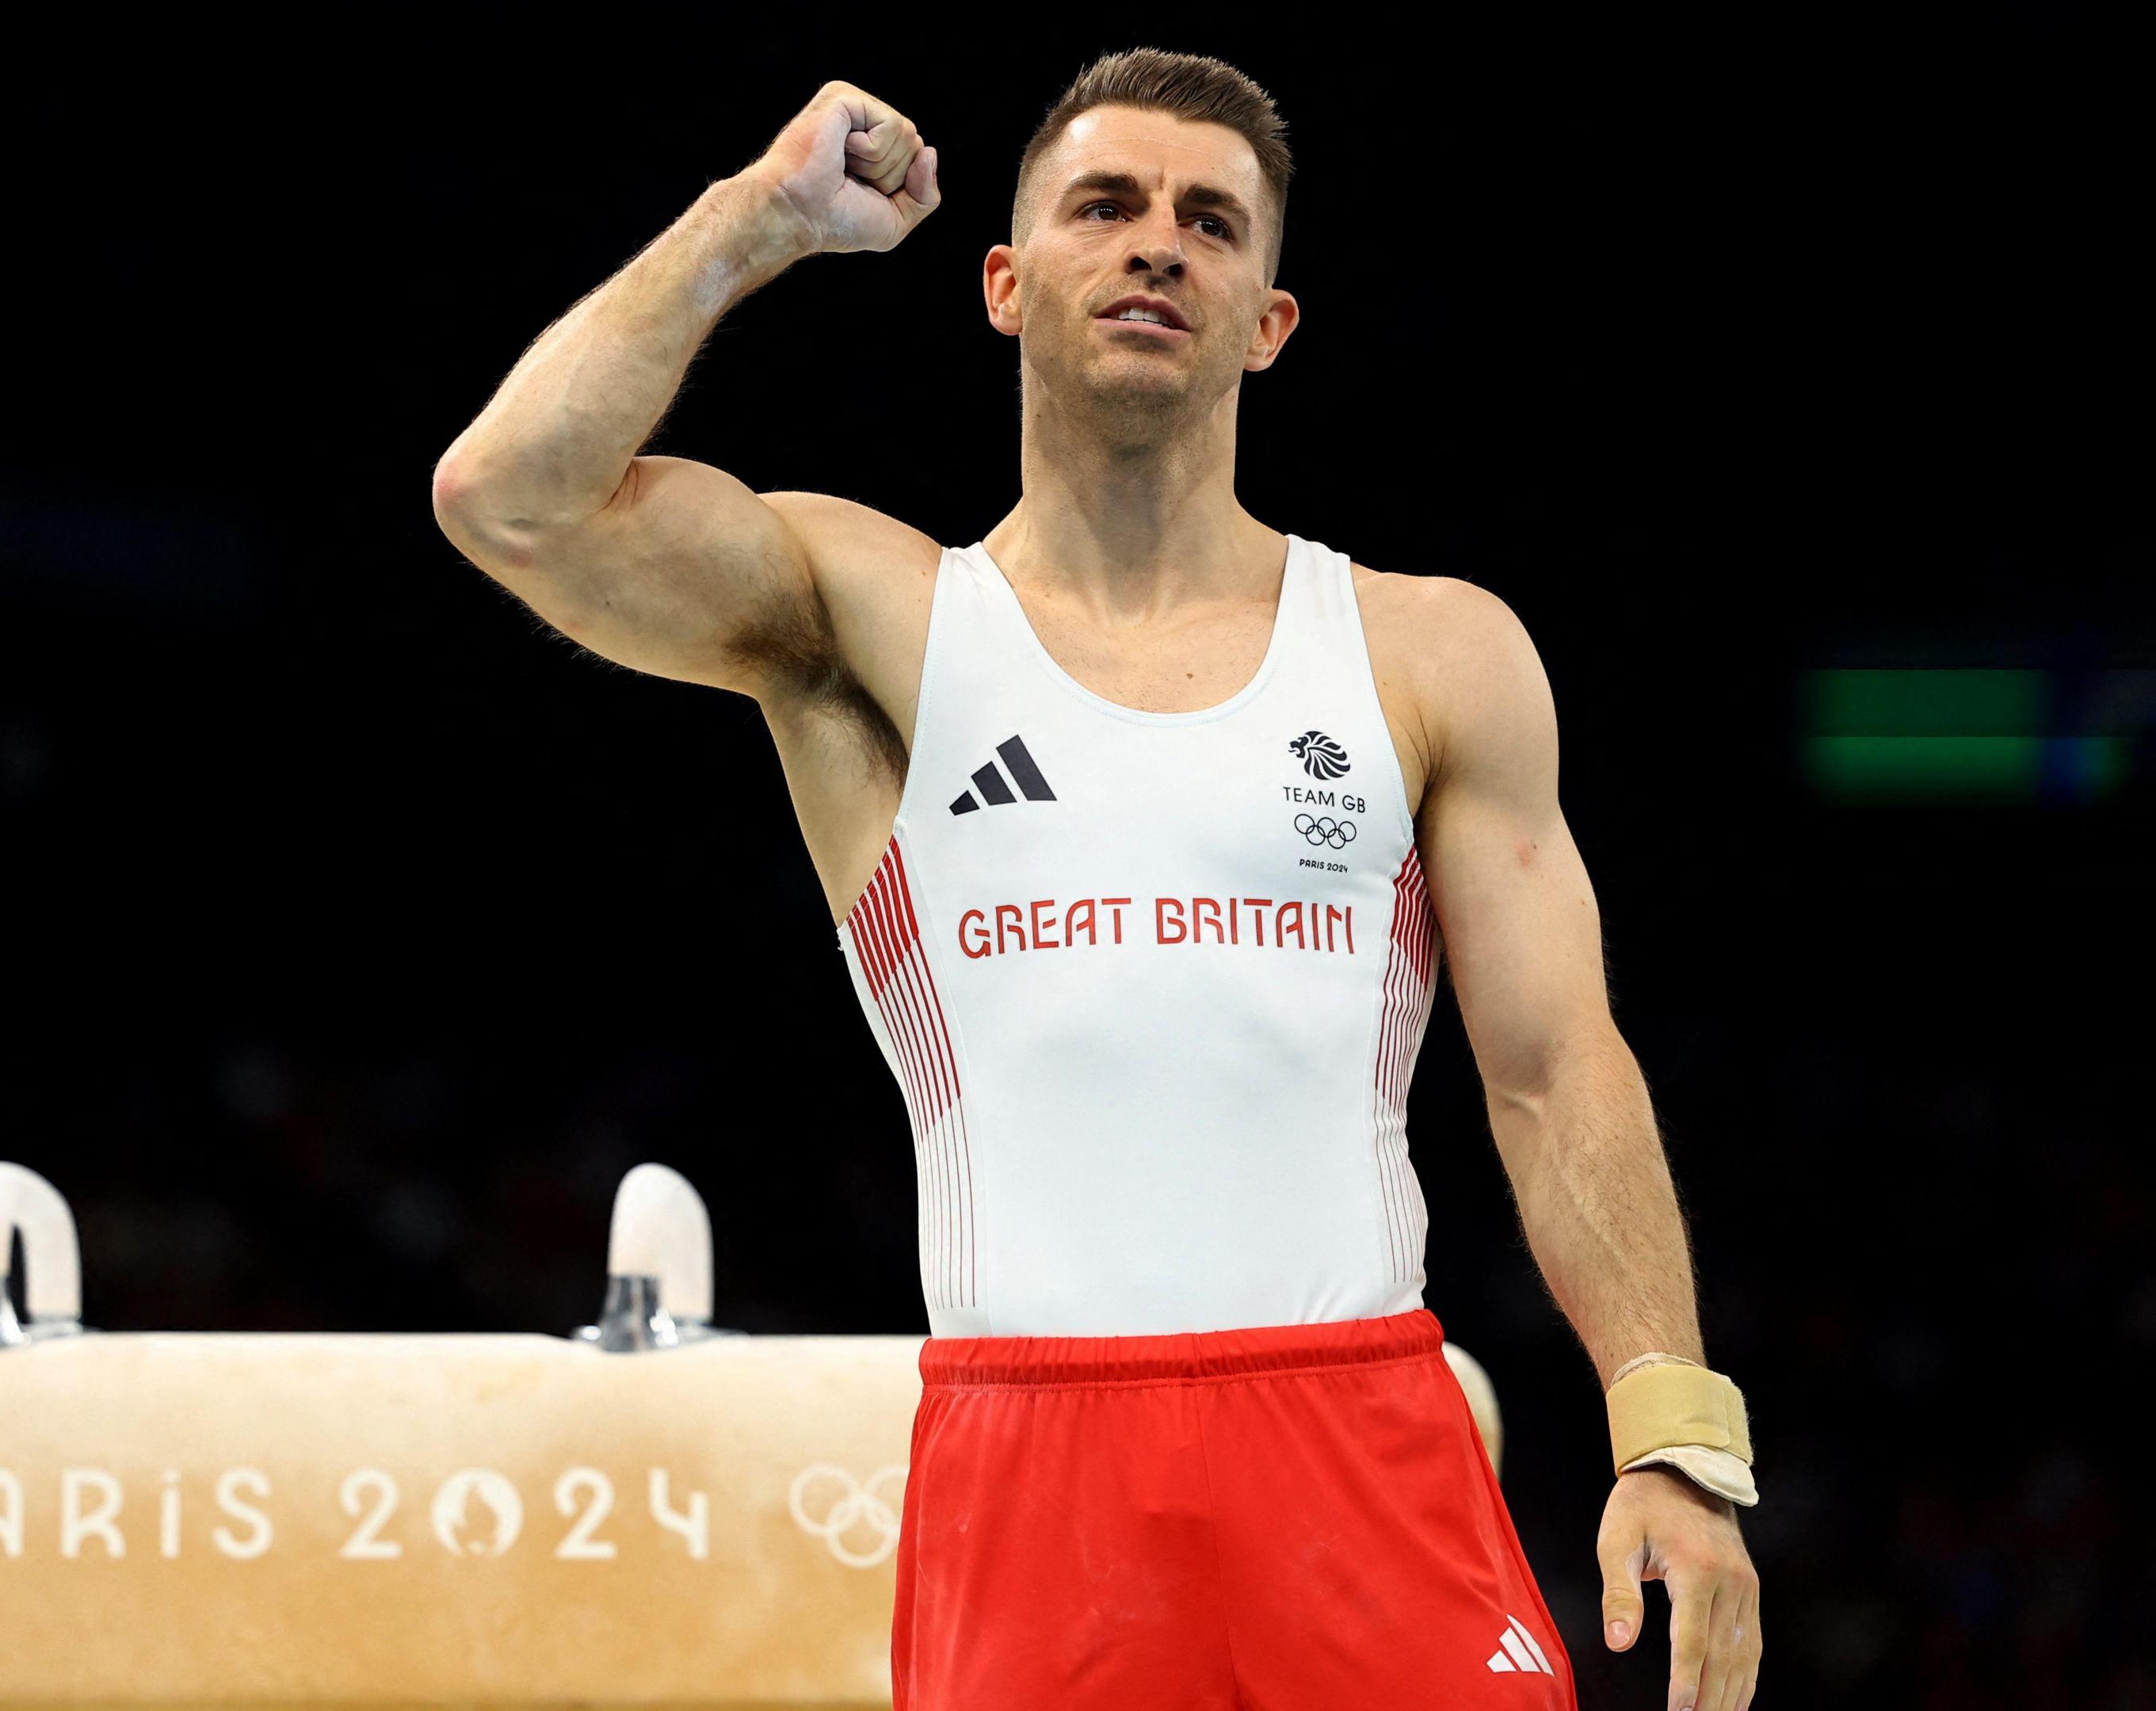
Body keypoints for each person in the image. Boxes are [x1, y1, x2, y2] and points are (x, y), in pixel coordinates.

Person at [431, 48, 1758, 1711]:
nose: (1158, 245)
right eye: (1106, 206)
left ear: (1270, 319)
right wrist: (757, 218)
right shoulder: (874, 619)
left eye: (1213, 221)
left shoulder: (1432, 652)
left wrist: (1675, 1428)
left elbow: (1558, 1069)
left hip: (1360, 1439)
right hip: (1033, 1459)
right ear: (1003, 282)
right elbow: (510, 502)